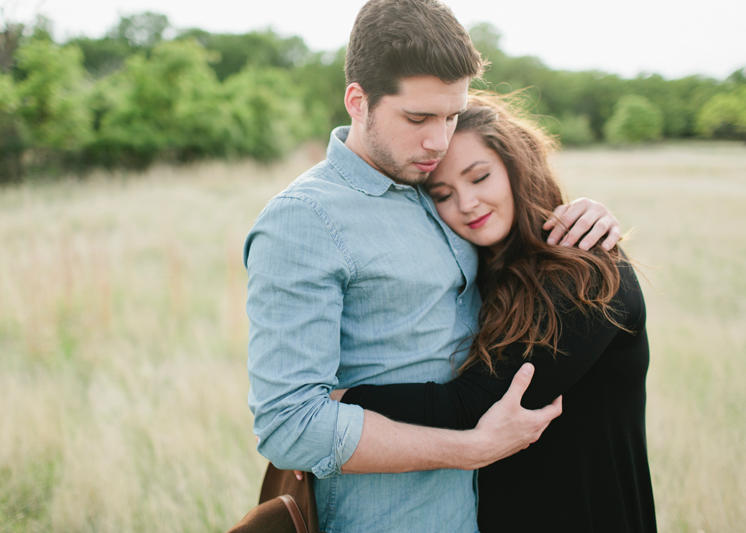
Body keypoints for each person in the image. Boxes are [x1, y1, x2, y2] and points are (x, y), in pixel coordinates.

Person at [244, 1, 620, 531]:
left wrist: (583, 215)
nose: (437, 142)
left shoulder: (436, 185)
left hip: (484, 513)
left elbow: (510, 240)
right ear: (358, 101)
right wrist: (470, 449)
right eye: (418, 118)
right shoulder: (304, 221)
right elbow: (289, 425)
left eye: (450, 116)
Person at [336, 92, 658, 532]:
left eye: (479, 177)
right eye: (443, 194)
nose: (466, 204)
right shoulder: (477, 277)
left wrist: (327, 412)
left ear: (516, 167)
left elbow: (471, 403)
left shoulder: (585, 270)